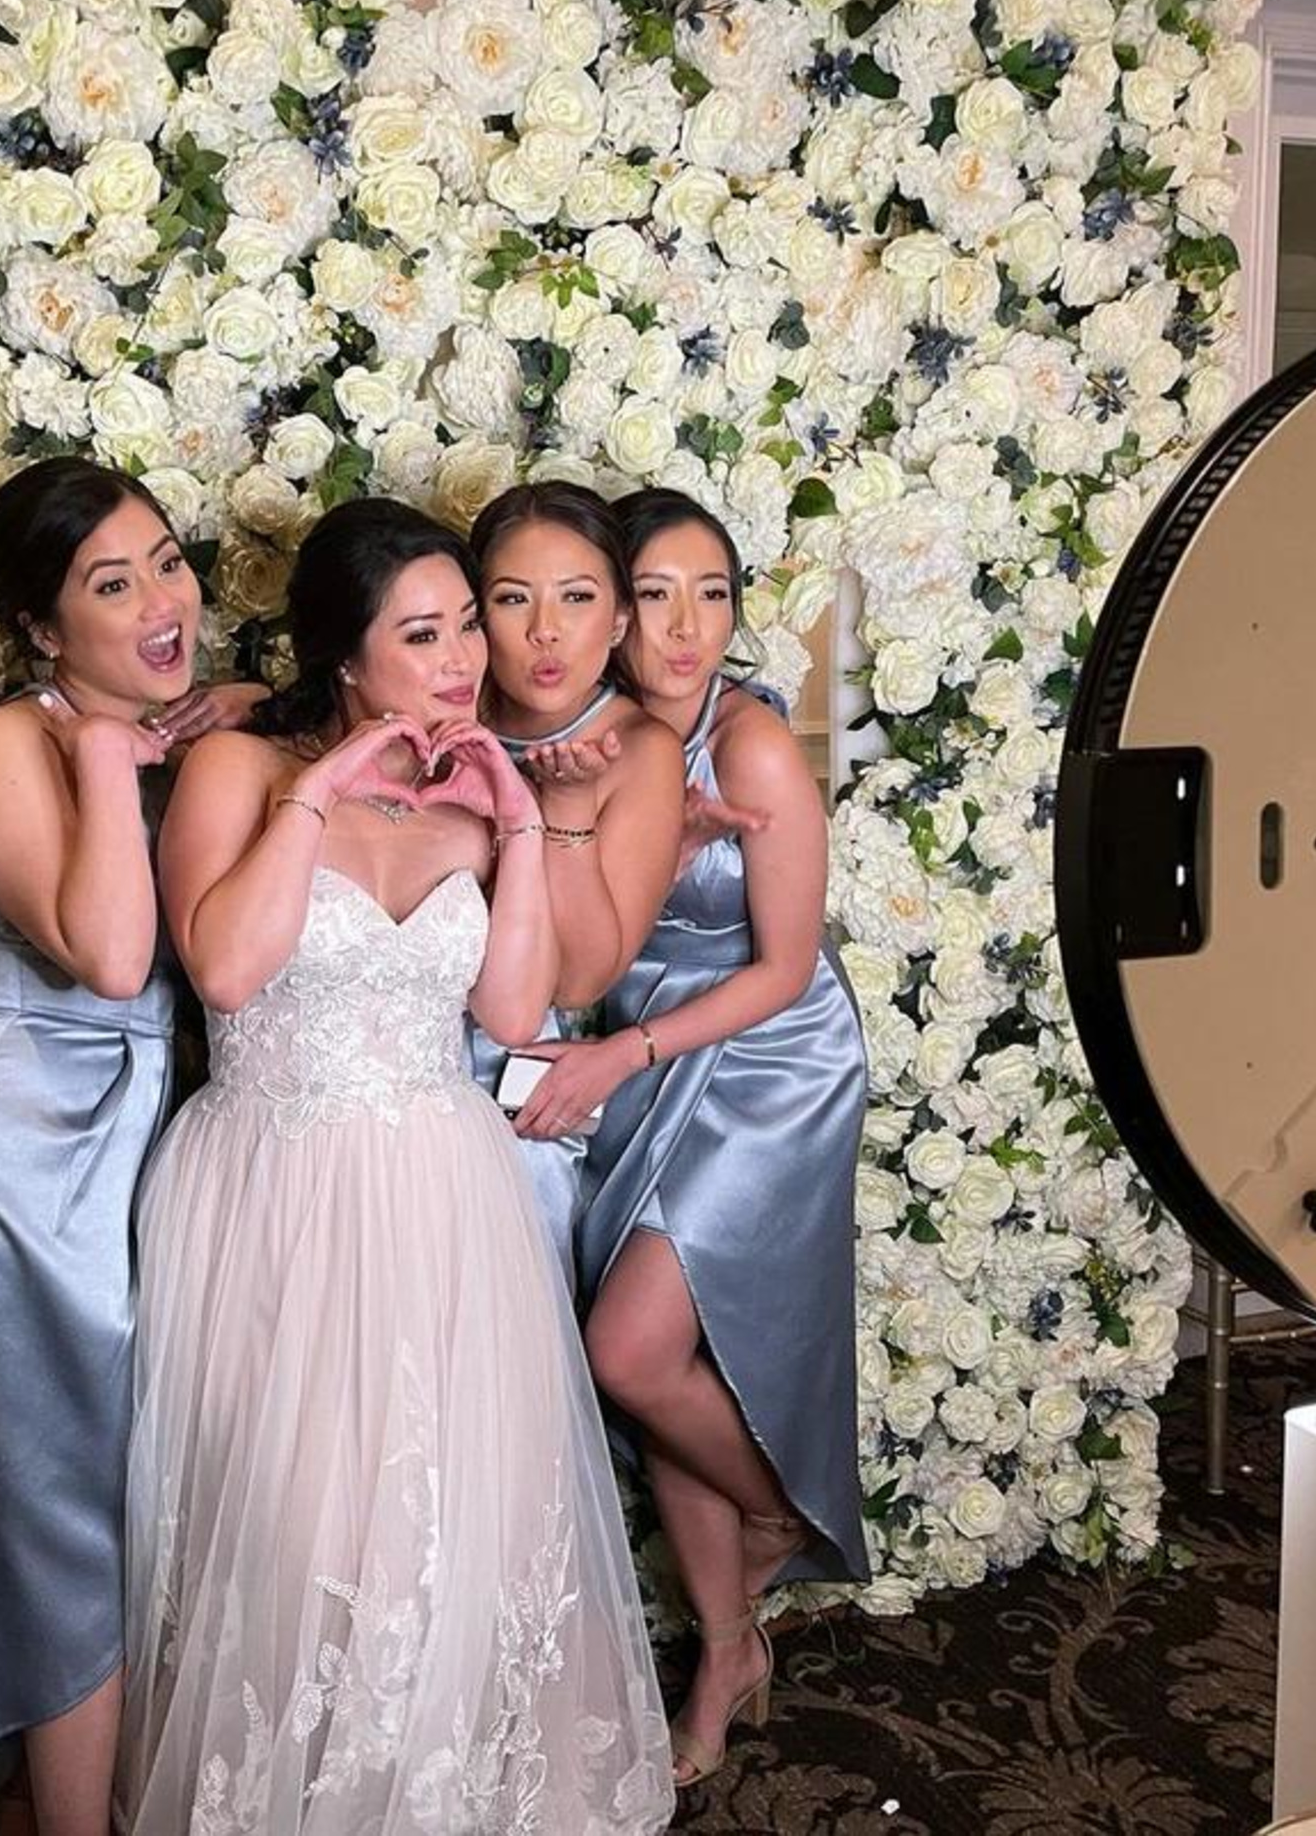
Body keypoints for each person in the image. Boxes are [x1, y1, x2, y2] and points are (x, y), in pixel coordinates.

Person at [117, 497, 675, 1834]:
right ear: (346, 658)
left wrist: (522, 824)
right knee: (299, 1529)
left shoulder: (478, 798)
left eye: (464, 625)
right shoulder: (239, 774)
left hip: (443, 1189)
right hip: (279, 1188)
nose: (465, 657)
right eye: (423, 634)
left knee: (450, 1525)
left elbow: (507, 1010)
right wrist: (314, 789)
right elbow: (230, 969)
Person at [518, 486, 871, 1788]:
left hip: (765, 1063)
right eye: (656, 595)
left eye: (713, 595)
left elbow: (784, 968)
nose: (687, 628)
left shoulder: (754, 746)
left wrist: (626, 1048)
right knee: (671, 1351)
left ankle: (779, 1508)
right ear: (610, 612)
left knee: (631, 1345)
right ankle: (728, 1655)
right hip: (638, 1055)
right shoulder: (572, 734)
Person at [0, 459, 200, 1836]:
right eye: (110, 585)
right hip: (13, 1157)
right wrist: (105, 753)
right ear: (40, 630)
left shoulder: (178, 729)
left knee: (121, 1484)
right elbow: (116, 960)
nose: (163, 601)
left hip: (124, 1145)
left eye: (170, 561)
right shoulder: (4, 744)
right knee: (67, 1507)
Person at [466, 482, 685, 1280]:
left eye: (578, 597)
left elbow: (587, 974)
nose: (545, 630)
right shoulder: (441, 699)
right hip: (386, 1055)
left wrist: (566, 813)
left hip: (523, 1077)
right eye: (512, 599)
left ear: (620, 618)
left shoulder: (639, 748)